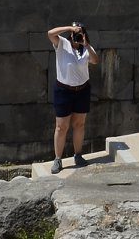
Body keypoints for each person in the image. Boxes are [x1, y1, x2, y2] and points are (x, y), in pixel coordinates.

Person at [47, 22, 99, 173]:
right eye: (74, 33)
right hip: (64, 90)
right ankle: (58, 159)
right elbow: (50, 33)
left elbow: (95, 60)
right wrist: (69, 28)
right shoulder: (62, 44)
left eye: (79, 32)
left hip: (82, 90)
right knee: (61, 126)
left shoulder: (86, 48)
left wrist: (86, 44)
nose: (76, 35)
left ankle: (78, 155)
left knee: (79, 124)